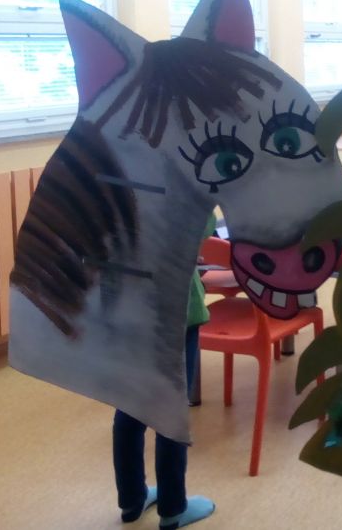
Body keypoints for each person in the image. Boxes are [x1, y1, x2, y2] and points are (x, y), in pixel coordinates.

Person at [114, 216, 216, 529]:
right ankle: (173, 509)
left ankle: (132, 499)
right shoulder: (175, 184)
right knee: (170, 412)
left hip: (126, 306)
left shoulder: (110, 184)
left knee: (130, 405)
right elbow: (201, 225)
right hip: (173, 309)